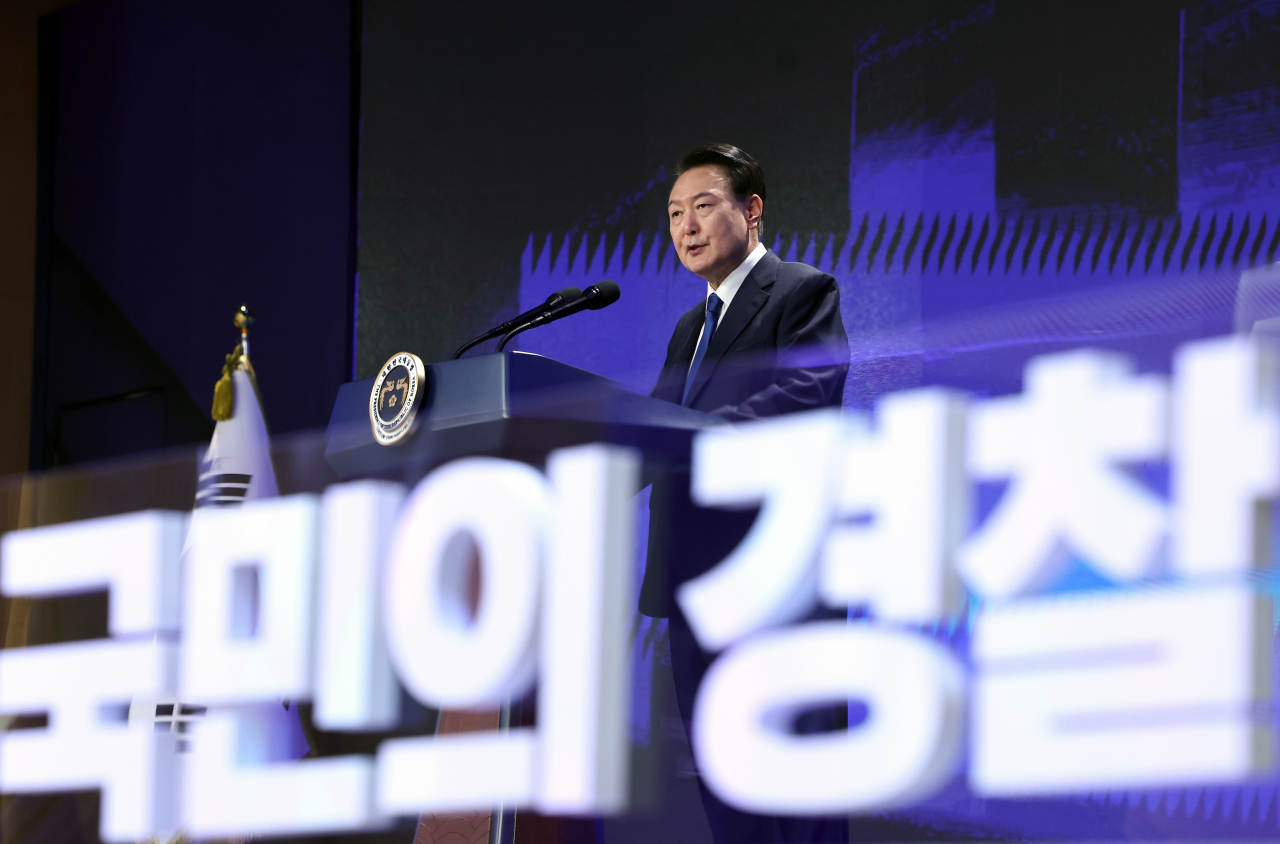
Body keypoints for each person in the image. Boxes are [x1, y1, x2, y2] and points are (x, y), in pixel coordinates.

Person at [639, 144, 849, 843]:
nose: (685, 228)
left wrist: (691, 438)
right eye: (674, 214)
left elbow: (804, 398)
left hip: (774, 581)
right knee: (726, 784)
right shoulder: (689, 328)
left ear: (751, 210)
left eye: (703, 206)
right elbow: (652, 431)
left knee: (798, 785)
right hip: (697, 587)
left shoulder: (802, 291)